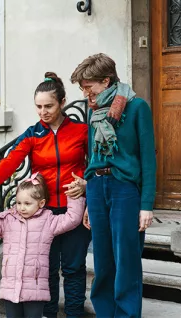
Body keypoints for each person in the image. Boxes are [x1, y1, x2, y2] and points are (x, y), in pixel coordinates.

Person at [0, 72, 90, 317]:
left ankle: (75, 315)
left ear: (63, 103)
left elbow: (96, 166)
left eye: (49, 106)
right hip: (42, 212)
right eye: (38, 106)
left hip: (75, 208)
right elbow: (8, 163)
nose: (43, 112)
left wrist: (87, 186)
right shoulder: (34, 134)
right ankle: (49, 315)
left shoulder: (81, 131)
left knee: (74, 268)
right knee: (47, 270)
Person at [70, 53, 156, 317]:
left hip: (125, 190)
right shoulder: (94, 112)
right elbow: (93, 159)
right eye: (82, 88)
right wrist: (87, 200)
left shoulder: (137, 107)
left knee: (126, 260)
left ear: (106, 81)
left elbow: (148, 159)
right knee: (103, 263)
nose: (85, 92)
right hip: (97, 188)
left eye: (89, 86)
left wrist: (146, 205)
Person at [0, 173, 86, 318]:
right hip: (11, 286)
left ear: (41, 203)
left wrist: (74, 196)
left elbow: (72, 219)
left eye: (27, 203)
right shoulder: (8, 219)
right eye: (18, 203)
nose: (22, 208)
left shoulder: (48, 221)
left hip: (35, 288)